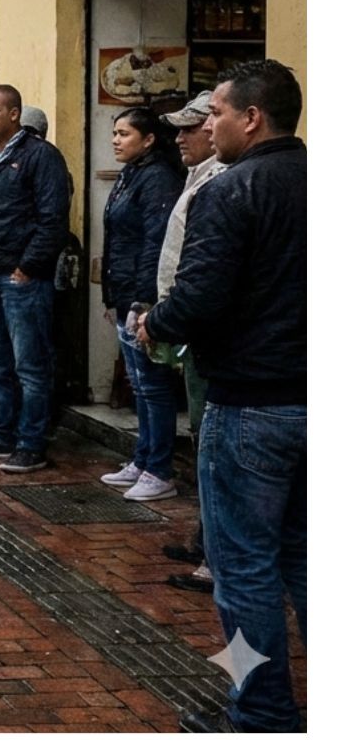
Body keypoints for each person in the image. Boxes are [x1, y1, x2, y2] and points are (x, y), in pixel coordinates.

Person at [139, 60, 305, 734]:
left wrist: (157, 322)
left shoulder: (232, 190)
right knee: (306, 557)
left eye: (217, 114)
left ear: (252, 118)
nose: (208, 125)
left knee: (242, 571)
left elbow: (199, 298)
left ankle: (261, 711)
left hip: (249, 405)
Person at [0, 85, 72, 473]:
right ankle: (3, 434)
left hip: (21, 279)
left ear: (14, 114)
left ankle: (31, 443)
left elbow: (53, 218)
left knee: (31, 365)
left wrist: (28, 267)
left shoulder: (40, 157)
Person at [153, 92, 228, 592]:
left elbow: (206, 276)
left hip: (210, 337)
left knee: (213, 448)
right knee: (205, 443)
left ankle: (216, 556)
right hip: (192, 332)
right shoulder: (197, 176)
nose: (179, 137)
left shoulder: (223, 182)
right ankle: (207, 540)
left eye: (193, 126)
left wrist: (166, 320)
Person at [98, 107, 186, 502]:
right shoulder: (130, 175)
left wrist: (141, 300)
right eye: (114, 133)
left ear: (149, 140)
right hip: (123, 296)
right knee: (140, 383)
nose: (116, 140)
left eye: (125, 134)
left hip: (142, 297)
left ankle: (159, 468)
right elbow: (116, 240)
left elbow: (155, 244)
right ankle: (142, 457)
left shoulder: (157, 179)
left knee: (153, 386)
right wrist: (112, 297)